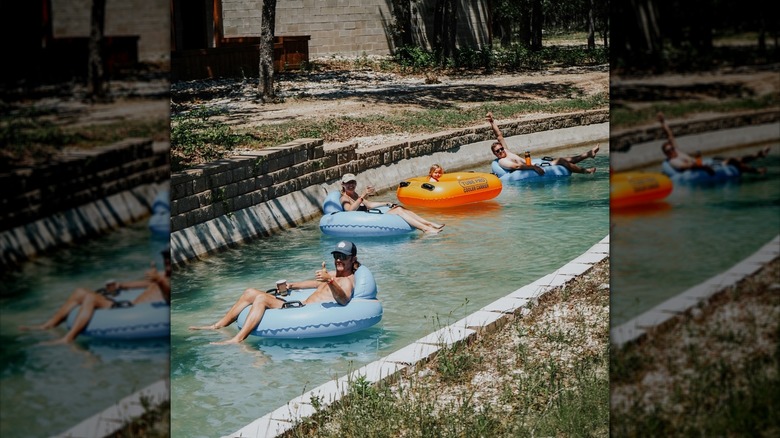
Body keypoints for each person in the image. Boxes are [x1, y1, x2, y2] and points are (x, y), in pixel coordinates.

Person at [189, 240, 362, 345]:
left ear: (352, 259)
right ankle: (217, 326)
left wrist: (330, 281)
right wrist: (292, 285)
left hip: (301, 311)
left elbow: (344, 300)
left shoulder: (346, 280)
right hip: (299, 304)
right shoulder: (332, 274)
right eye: (336, 255)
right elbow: (310, 284)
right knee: (250, 292)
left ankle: (238, 339)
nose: (339, 260)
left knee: (262, 299)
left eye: (344, 256)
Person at [20, 247, 172, 345]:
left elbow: (169, 297)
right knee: (80, 292)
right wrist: (120, 285)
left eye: (169, 258)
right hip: (127, 305)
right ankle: (48, 325)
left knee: (91, 298)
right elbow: (140, 285)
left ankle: (69, 338)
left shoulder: (167, 280)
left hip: (130, 311)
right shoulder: (160, 276)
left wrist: (159, 280)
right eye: (165, 258)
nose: (166, 261)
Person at [486, 112, 599, 175]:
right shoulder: (502, 161)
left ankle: (588, 154)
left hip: (533, 164)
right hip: (531, 168)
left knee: (563, 159)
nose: (501, 151)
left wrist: (492, 122)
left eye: (501, 149)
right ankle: (586, 171)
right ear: (495, 154)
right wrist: (533, 168)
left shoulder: (506, 152)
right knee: (562, 161)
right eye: (498, 151)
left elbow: (499, 136)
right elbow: (516, 166)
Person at [658, 112, 768, 175]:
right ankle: (757, 170)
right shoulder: (673, 161)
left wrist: (663, 122)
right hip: (701, 169)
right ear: (666, 154)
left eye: (671, 148)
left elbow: (670, 136)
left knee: (735, 159)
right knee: (733, 161)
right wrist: (703, 167)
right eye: (668, 150)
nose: (671, 150)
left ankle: (758, 155)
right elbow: (686, 167)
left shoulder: (677, 151)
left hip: (706, 163)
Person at [339, 173, 445, 234]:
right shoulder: (344, 198)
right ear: (343, 184)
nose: (351, 185)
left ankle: (429, 223)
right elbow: (349, 211)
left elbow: (369, 205)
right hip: (366, 222)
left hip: (370, 217)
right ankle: (425, 229)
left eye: (353, 183)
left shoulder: (355, 195)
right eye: (348, 183)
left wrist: (386, 203)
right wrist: (363, 195)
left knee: (400, 207)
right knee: (398, 210)